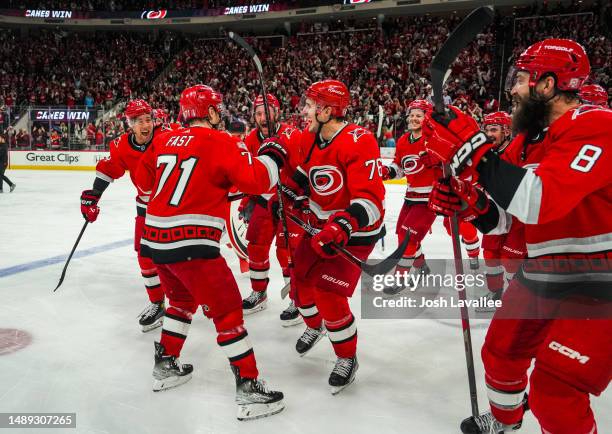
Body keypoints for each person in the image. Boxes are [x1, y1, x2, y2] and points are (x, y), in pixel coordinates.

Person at [426, 39, 611, 434]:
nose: (513, 88)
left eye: (522, 78)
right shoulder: (526, 142)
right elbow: (507, 222)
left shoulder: (597, 125)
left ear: (547, 84)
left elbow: (539, 202)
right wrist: (470, 203)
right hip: (545, 270)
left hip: (600, 276)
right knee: (500, 353)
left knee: (555, 390)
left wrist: (473, 149)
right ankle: (507, 421)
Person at [135, 84, 285, 420]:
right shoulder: (221, 141)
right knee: (229, 312)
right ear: (212, 112)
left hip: (155, 240)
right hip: (192, 245)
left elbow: (144, 181)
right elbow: (257, 181)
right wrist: (273, 155)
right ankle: (249, 388)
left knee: (182, 302)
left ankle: (166, 364)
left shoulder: (164, 138)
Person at [288, 79, 386, 394]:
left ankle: (346, 357)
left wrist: (340, 227)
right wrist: (287, 190)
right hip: (318, 227)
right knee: (299, 285)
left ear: (327, 110)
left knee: (329, 296)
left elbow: (369, 201)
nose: (304, 111)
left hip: (353, 233)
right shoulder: (311, 138)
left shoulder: (359, 140)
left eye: (310, 105)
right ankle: (315, 326)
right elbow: (306, 175)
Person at [79, 99, 166, 332]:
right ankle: (158, 302)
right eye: (139, 121)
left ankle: (188, 298)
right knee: (145, 256)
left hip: (175, 208)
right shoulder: (121, 146)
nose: (145, 125)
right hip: (146, 208)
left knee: (179, 257)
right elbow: (110, 169)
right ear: (130, 125)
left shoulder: (167, 136)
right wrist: (93, 195)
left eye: (148, 119)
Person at [382, 99, 480, 295]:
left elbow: (456, 162)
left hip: (432, 197)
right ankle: (421, 266)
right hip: (410, 195)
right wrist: (389, 171)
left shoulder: (436, 138)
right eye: (411, 115)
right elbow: (400, 166)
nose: (414, 118)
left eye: (419, 115)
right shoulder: (403, 140)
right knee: (403, 235)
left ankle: (401, 277)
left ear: (427, 118)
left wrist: (438, 159)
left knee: (417, 235)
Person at [239, 93, 303, 326]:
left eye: (267, 112)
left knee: (286, 252)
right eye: (258, 113)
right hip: (265, 201)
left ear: (277, 112)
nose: (262, 117)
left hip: (289, 202)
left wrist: (297, 196)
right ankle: (259, 293)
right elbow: (248, 171)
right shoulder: (251, 139)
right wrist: (247, 199)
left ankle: (297, 299)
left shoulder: (292, 135)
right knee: (255, 247)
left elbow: (303, 169)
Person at [477, 111, 526, 308]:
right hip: (494, 213)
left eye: (494, 129)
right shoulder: (485, 154)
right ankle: (495, 292)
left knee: (510, 259)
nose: (489, 134)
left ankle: (513, 297)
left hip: (516, 215)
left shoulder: (517, 151)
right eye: (487, 129)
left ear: (506, 131)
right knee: (490, 255)